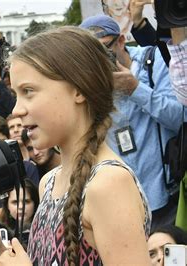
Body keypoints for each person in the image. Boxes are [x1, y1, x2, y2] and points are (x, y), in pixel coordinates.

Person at [0, 26, 151, 265]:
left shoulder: (108, 184)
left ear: (78, 89)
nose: (17, 110)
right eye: (16, 94)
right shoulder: (49, 181)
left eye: (29, 91)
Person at [80, 14, 185, 229]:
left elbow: (178, 118)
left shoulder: (154, 60)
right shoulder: (89, 83)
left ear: (120, 41)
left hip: (165, 196)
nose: (99, 61)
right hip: (122, 203)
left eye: (103, 50)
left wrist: (135, 88)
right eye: (90, 56)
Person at [0, 180, 39, 248]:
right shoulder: (0, 232)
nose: (20, 207)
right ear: (7, 205)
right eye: (15, 202)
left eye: (26, 202)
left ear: (35, 204)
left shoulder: (43, 232)